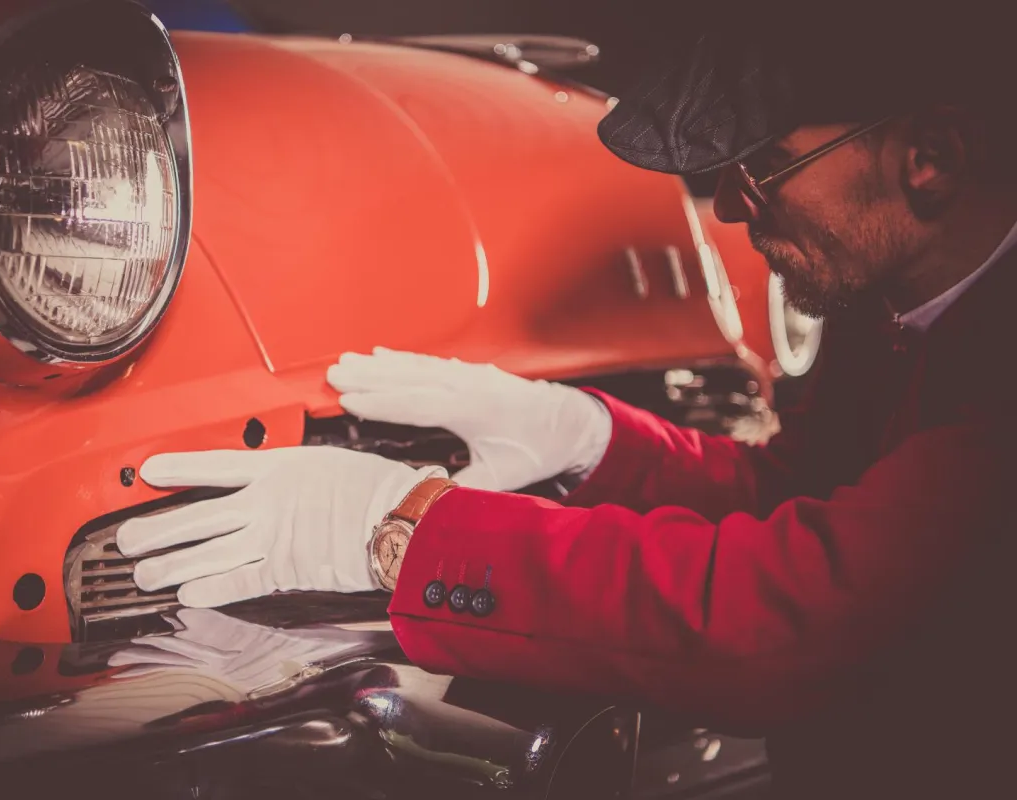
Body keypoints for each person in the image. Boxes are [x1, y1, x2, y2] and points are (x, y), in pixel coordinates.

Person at [113, 7, 1015, 798]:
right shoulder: (892, 318)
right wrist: (590, 436)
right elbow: (798, 494)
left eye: (766, 168)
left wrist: (404, 529)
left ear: (931, 159)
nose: (733, 214)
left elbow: (786, 621)